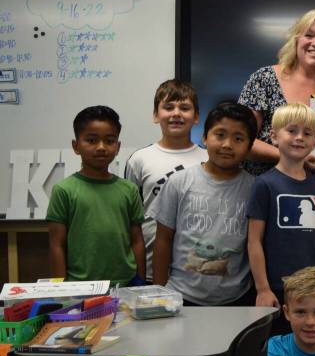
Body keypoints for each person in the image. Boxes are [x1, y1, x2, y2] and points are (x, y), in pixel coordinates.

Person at [152, 101, 257, 306]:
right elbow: (163, 240)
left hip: (236, 298)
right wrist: (159, 291)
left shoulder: (255, 189)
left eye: (238, 138)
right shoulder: (179, 182)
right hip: (180, 296)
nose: (227, 144)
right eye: (220, 135)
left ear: (249, 147)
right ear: (204, 137)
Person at [239, 7, 315, 190]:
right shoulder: (264, 79)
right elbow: (241, 138)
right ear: (296, 40)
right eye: (309, 35)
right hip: (268, 194)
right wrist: (292, 156)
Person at [247, 103, 315, 330]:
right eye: (292, 131)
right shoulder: (264, 184)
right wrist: (262, 289)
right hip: (277, 289)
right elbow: (254, 240)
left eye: (307, 133)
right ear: (274, 137)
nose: (299, 138)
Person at [47, 105, 144, 286]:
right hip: (79, 285)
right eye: (91, 140)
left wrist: (140, 281)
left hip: (126, 283)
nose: (101, 147)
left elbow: (137, 240)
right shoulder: (63, 190)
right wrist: (60, 289)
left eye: (109, 140)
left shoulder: (129, 189)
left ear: (118, 146)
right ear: (76, 146)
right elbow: (57, 245)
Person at [124, 79, 206, 282]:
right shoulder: (140, 159)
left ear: (196, 117)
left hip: (195, 271)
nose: (176, 113)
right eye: (168, 107)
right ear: (155, 115)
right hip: (150, 267)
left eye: (184, 108)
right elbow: (130, 219)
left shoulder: (207, 159)